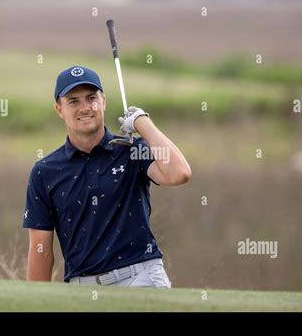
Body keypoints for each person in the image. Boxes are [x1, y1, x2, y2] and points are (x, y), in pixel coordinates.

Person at [23, 66, 191, 288]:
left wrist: (143, 122)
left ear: (103, 101)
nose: (85, 107)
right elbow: (40, 250)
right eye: (73, 101)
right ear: (59, 109)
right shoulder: (44, 171)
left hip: (141, 277)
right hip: (81, 288)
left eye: (91, 98)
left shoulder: (132, 150)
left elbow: (179, 174)